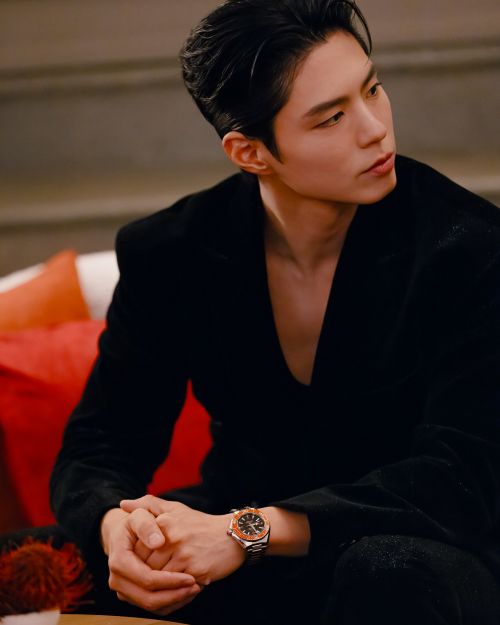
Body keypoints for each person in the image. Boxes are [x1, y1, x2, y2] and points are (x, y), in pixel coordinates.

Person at [3, 1, 500, 623]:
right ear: (250, 152)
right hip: (234, 539)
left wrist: (248, 532)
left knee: (390, 571)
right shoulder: (173, 252)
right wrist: (119, 533)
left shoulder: (468, 248)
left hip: (419, 544)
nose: (375, 129)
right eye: (332, 118)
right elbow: (102, 443)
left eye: (373, 89)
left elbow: (461, 478)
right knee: (21, 565)